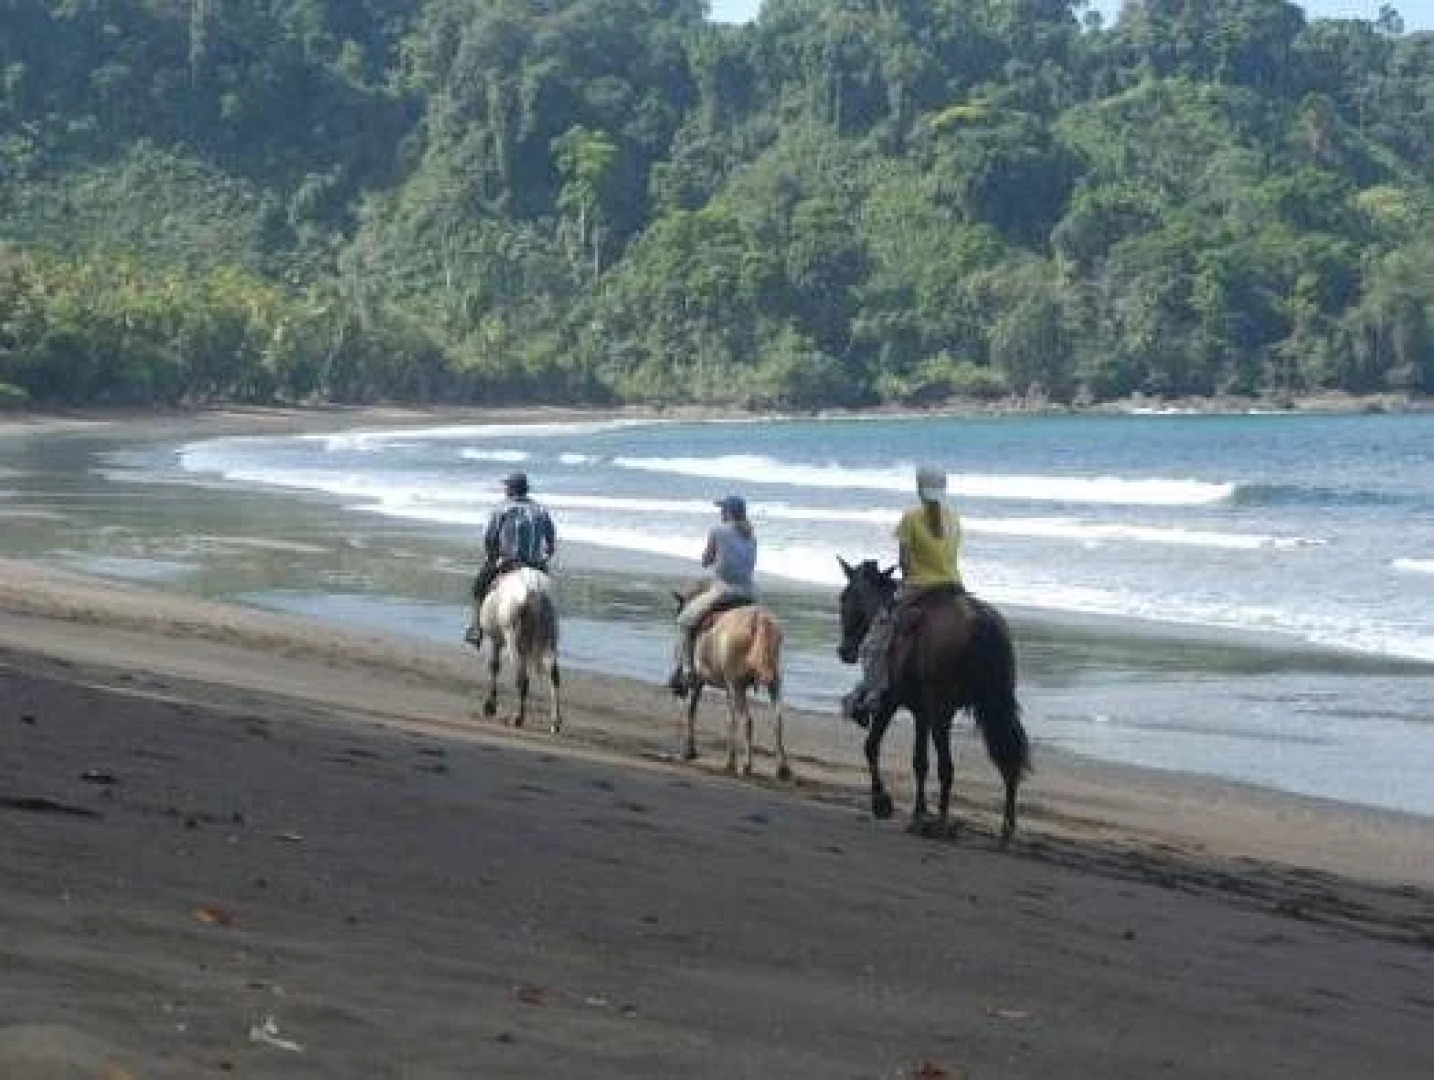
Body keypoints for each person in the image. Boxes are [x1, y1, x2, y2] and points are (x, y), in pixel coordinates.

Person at [846, 465, 964, 720]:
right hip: (954, 586)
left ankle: (874, 694)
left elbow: (905, 562)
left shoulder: (910, 518)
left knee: (874, 641)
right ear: (943, 489)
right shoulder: (954, 518)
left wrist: (908, 578)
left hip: (920, 586)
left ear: (920, 489)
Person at [667, 494, 758, 694]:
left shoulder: (718, 530)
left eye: (722, 510)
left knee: (684, 621)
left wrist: (710, 558)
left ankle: (687, 672)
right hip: (750, 594)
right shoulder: (752, 536)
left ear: (728, 512)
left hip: (725, 591)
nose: (721, 513)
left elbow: (706, 560)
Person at [464, 471, 557, 647]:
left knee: (478, 587)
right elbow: (551, 540)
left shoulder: (502, 509)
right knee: (546, 595)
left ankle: (476, 628)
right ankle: (551, 634)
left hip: (508, 562)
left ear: (512, 489)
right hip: (535, 565)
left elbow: (489, 537)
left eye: (507, 486)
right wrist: (544, 558)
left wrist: (493, 558)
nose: (505, 489)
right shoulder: (541, 510)